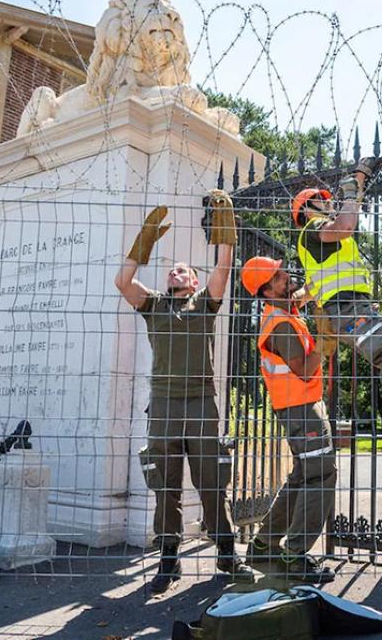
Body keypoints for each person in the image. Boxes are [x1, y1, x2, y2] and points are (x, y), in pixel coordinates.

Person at [114, 190, 253, 593]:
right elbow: (122, 281)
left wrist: (225, 228)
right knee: (166, 486)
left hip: (200, 404)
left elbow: (224, 265)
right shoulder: (154, 305)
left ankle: (226, 554)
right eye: (172, 269)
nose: (176, 271)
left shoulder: (204, 305)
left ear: (193, 281)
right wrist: (144, 241)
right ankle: (168, 561)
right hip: (163, 405)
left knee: (212, 481)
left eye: (184, 270)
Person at [292, 158, 382, 454]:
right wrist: (351, 192)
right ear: (306, 210)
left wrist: (294, 300)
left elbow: (312, 288)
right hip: (347, 309)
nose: (327, 204)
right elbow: (347, 225)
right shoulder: (312, 229)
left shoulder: (318, 244)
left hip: (354, 308)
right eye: (320, 201)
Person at [238, 256, 338, 584]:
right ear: (267, 291)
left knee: (301, 477)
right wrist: (326, 341)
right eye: (278, 276)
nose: (286, 276)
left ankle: (264, 544)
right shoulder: (279, 324)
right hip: (301, 409)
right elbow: (304, 368)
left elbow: (299, 296)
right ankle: (296, 556)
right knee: (319, 475)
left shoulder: (282, 312)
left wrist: (322, 283)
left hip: (300, 406)